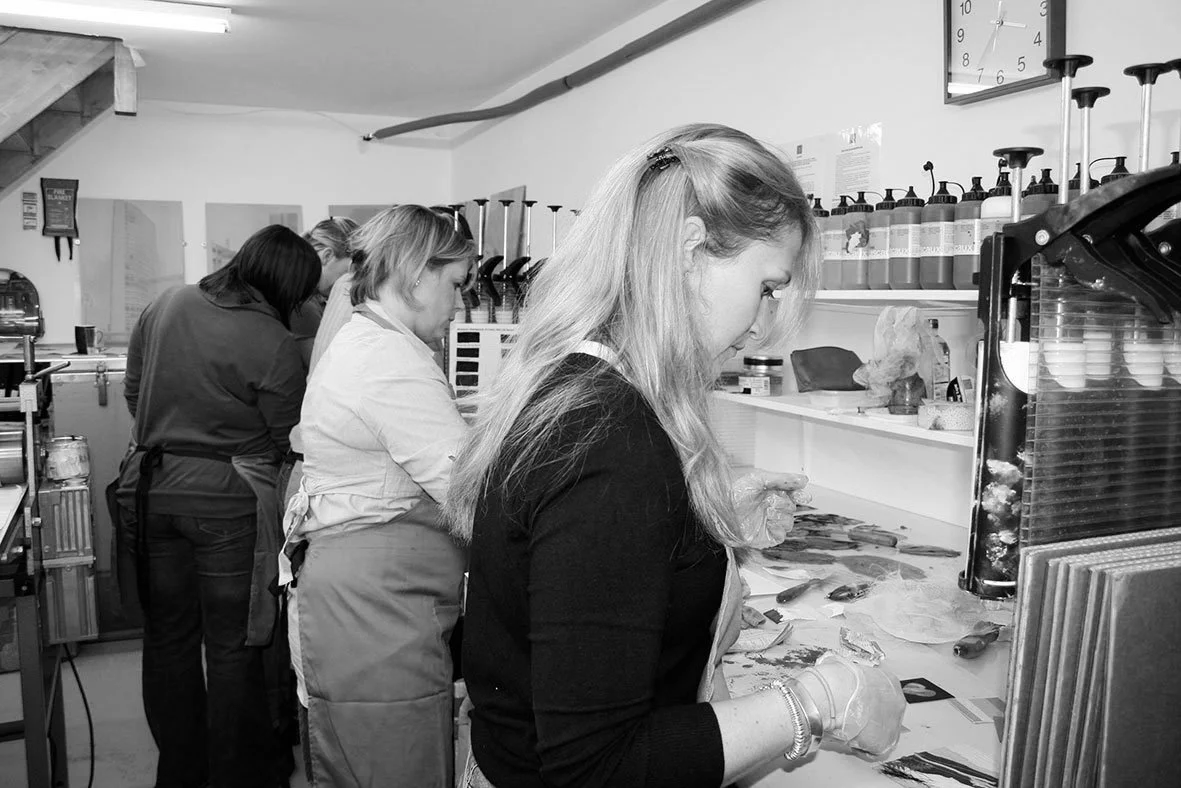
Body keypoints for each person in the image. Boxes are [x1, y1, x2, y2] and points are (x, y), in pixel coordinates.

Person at [445, 124, 907, 788]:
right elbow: (597, 767)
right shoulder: (606, 443)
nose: (760, 325)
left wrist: (692, 518)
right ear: (691, 253)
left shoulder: (580, 389)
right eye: (767, 286)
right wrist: (813, 702)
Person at [113, 224, 321, 788]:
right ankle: (236, 777)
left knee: (167, 641)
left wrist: (172, 427)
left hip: (149, 493)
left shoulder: (166, 302)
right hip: (226, 506)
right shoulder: (272, 340)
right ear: (288, 288)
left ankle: (180, 775)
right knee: (232, 648)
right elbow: (289, 436)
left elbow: (134, 391)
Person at [282, 205, 476, 786]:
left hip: (374, 603)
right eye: (456, 285)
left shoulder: (377, 340)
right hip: (371, 613)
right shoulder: (386, 360)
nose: (461, 304)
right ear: (417, 274)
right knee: (388, 767)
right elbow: (471, 495)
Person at [291, 217, 358, 370]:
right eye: (349, 270)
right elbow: (321, 367)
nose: (352, 278)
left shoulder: (310, 299)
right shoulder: (304, 306)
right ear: (327, 256)